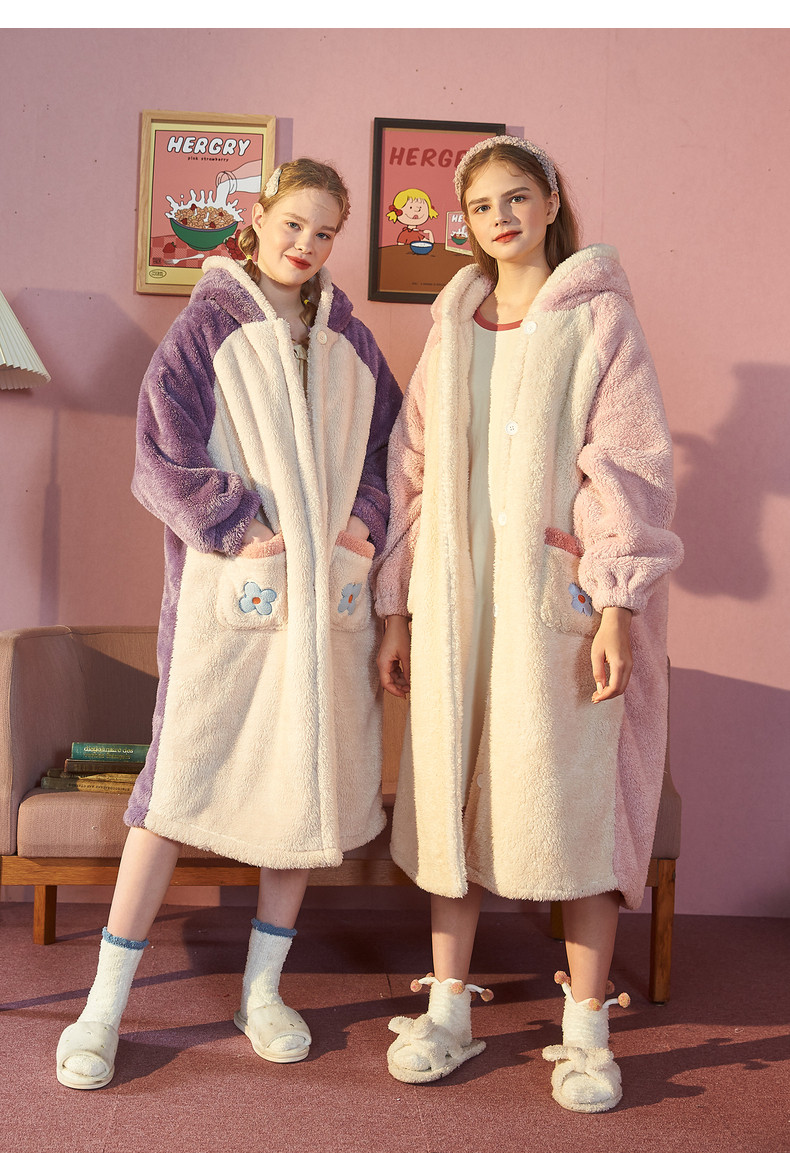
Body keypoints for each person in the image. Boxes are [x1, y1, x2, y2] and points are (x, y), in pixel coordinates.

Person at [56, 158, 402, 1090]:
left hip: (325, 606)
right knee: (173, 792)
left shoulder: (352, 340)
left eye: (324, 232)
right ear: (258, 216)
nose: (306, 244)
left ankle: (263, 990)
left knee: (304, 788)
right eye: (293, 223)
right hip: (234, 598)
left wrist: (364, 523)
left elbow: (389, 449)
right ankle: (103, 1006)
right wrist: (239, 528)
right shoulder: (207, 324)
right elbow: (159, 452)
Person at [375, 136, 682, 1111]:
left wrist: (616, 603)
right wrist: (398, 608)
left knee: (577, 798)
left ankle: (587, 1029)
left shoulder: (599, 319)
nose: (500, 217)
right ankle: (448, 1010)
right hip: (453, 602)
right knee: (448, 792)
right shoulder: (453, 325)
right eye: (481, 206)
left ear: (551, 202)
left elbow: (628, 465)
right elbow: (411, 472)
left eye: (516, 197)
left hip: (560, 601)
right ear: (464, 223)